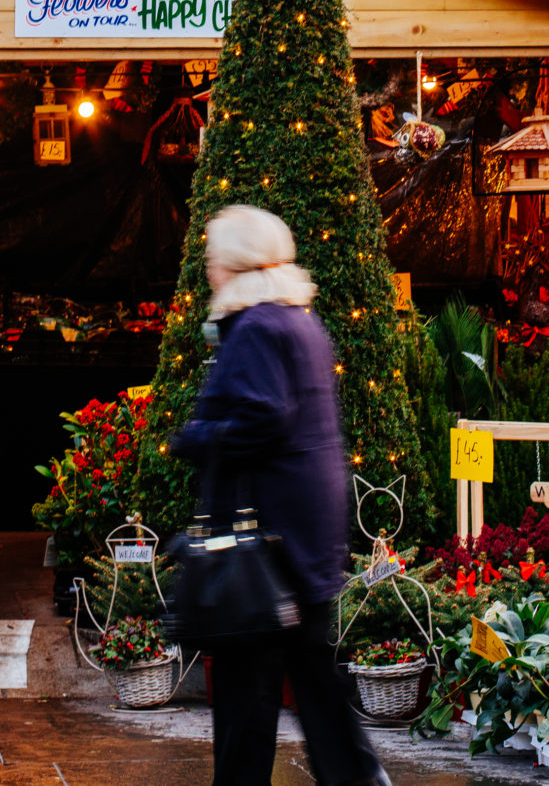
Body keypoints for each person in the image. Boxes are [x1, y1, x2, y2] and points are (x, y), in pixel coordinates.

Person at [172, 206, 385, 786]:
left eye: (214, 253)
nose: (208, 265)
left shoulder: (258, 325)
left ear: (235, 260)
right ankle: (356, 777)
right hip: (305, 529)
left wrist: (194, 434)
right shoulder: (297, 317)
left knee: (248, 691)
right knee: (314, 678)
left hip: (268, 540)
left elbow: (261, 418)